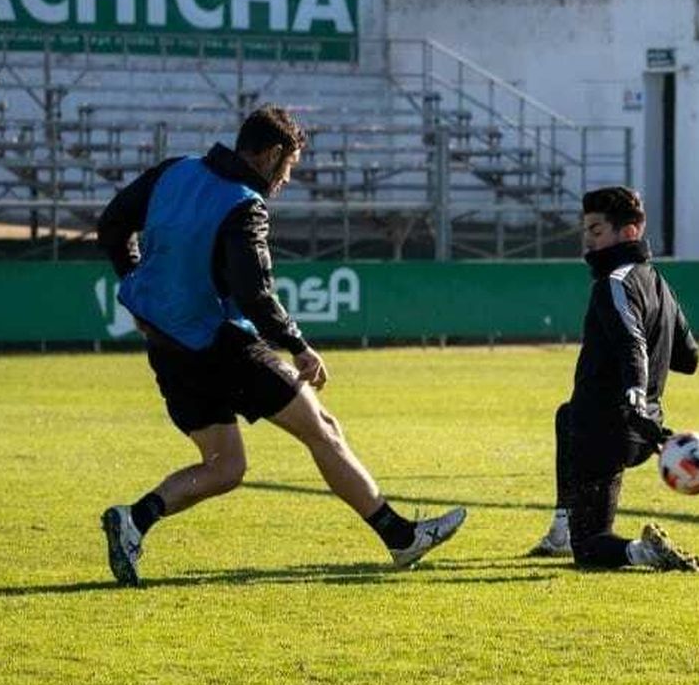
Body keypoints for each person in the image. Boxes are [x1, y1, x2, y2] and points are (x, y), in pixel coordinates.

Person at [95, 105, 465, 586]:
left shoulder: (175, 171)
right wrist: (299, 345)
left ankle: (134, 520)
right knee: (322, 427)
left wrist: (140, 284)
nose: (287, 179)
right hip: (221, 341)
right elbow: (254, 293)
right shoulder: (244, 203)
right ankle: (400, 537)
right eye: (288, 167)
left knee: (225, 466)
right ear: (270, 155)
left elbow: (110, 225)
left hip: (168, 346)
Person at [525, 186, 699, 572]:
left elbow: (631, 343)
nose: (587, 242)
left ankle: (644, 552)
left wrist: (635, 393)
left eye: (596, 230)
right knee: (566, 416)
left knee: (590, 550)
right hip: (641, 428)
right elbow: (689, 359)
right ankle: (561, 527)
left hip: (608, 427)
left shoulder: (614, 281)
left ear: (630, 232)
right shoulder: (659, 283)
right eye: (586, 230)